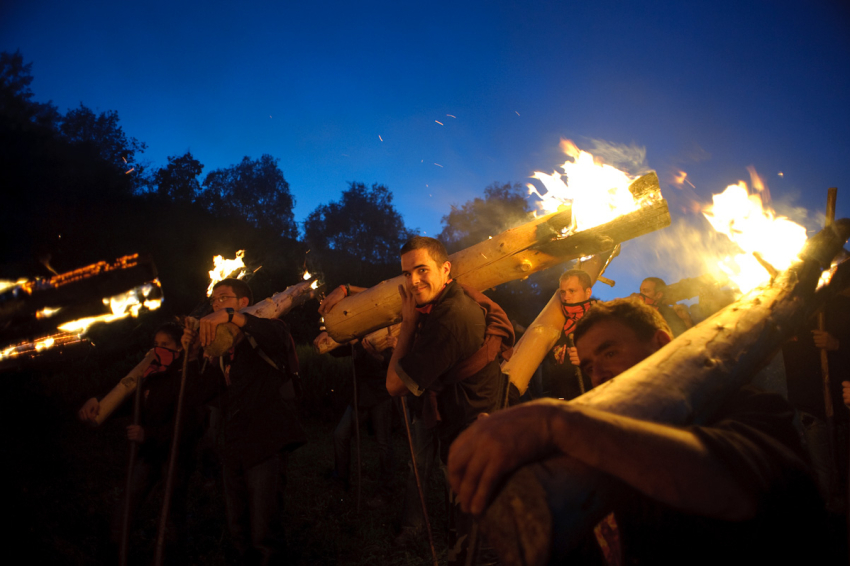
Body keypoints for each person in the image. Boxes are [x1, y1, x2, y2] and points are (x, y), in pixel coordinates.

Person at [448, 298, 826, 565]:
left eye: (610, 353)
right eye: (589, 366)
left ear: (661, 343)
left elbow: (741, 488)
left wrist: (555, 421)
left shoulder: (748, 403)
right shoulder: (596, 438)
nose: (598, 375)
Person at [386, 236, 514, 565]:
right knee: (464, 527)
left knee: (476, 542)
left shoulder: (451, 317)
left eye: (422, 270)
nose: (413, 281)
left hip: (473, 436)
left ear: (446, 269)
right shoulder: (449, 299)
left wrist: (408, 325)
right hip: (465, 429)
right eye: (407, 274)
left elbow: (394, 385)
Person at [183, 278, 305, 565]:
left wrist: (229, 316)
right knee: (238, 529)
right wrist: (192, 355)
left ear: (243, 303)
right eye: (213, 300)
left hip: (266, 442)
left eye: (223, 298)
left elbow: (275, 337)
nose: (216, 304)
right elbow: (201, 394)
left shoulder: (270, 328)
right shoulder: (224, 352)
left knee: (264, 533)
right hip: (234, 446)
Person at [78, 322, 204, 561]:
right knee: (125, 509)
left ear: (179, 347)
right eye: (156, 344)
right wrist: (97, 400)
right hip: (149, 455)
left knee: (172, 517)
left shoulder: (186, 375)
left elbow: (190, 424)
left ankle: (174, 558)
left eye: (165, 344)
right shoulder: (150, 374)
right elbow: (125, 399)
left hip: (174, 458)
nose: (158, 348)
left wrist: (149, 434)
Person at [549, 268, 596, 399]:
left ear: (588, 292)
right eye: (563, 292)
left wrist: (587, 360)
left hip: (591, 398)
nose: (566, 297)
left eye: (572, 291)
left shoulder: (599, 320)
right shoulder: (558, 321)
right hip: (560, 398)